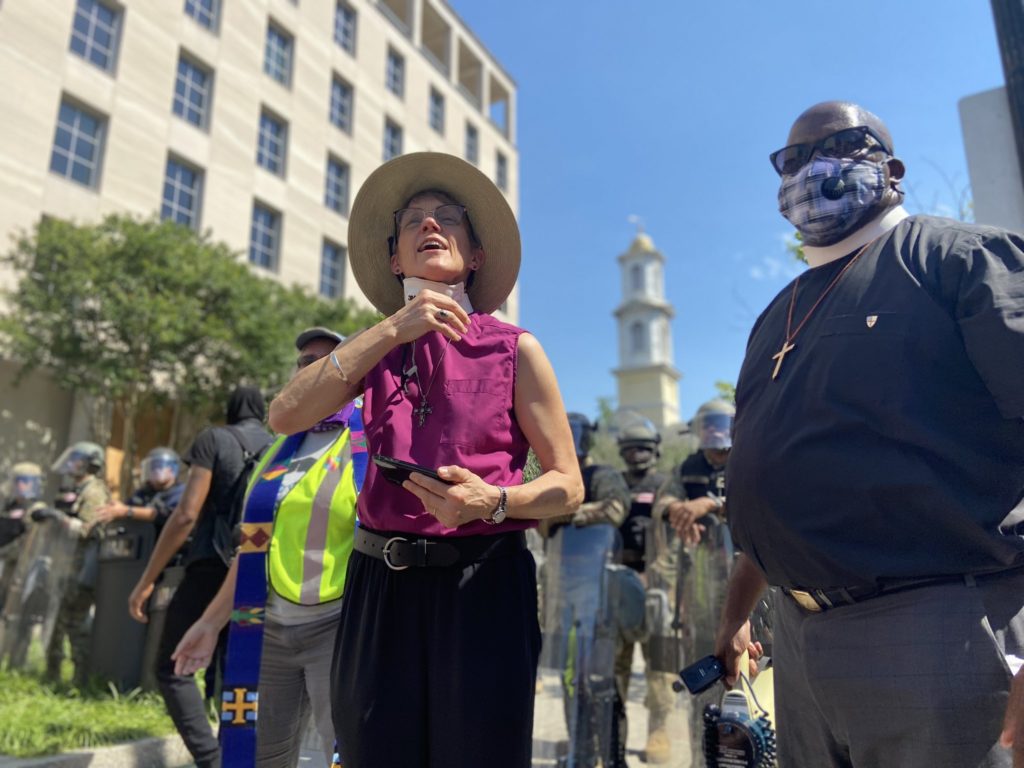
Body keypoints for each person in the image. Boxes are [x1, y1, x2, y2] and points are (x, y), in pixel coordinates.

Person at [717, 100, 1024, 768]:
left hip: (935, 633)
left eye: (839, 145)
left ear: (893, 168)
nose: (808, 169)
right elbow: (775, 481)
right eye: (790, 159)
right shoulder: (777, 315)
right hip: (797, 641)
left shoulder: (958, 258)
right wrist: (736, 612)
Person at [269, 151, 583, 768]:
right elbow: (284, 416)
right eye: (412, 220)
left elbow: (568, 486)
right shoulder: (370, 351)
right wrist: (392, 329)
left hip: (484, 583)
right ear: (394, 260)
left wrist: (493, 502)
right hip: (379, 588)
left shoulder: (516, 349)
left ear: (476, 256)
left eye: (447, 218)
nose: (429, 226)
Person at [172, 327, 364, 767]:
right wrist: (208, 623)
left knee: (350, 755)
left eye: (327, 358)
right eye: (304, 361)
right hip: (269, 631)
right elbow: (253, 549)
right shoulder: (278, 449)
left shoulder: (370, 441)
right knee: (259, 757)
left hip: (338, 630)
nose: (312, 366)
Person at [129, 386, 272, 768]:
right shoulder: (280, 445)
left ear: (230, 408)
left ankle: (211, 759)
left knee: (171, 666)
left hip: (210, 567)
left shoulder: (214, 439)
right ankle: (236, 757)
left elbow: (186, 514)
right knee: (237, 672)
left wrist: (148, 578)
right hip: (258, 569)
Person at [612, 416, 675, 764]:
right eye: (631, 448)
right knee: (614, 667)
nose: (636, 454)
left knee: (659, 667)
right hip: (617, 582)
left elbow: (677, 540)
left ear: (655, 450)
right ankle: (612, 737)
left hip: (656, 584)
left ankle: (659, 730)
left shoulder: (668, 485)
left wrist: (656, 575)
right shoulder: (614, 484)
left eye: (643, 448)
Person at [42, 441, 110, 686]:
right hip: (67, 564)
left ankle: (80, 680)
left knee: (75, 623)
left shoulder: (93, 492)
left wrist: (59, 518)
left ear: (91, 463)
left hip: (81, 568)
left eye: (78, 459)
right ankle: (53, 676)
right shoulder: (77, 489)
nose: (72, 465)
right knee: (59, 622)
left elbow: (87, 530)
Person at [94, 447, 186, 546]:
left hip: (167, 548)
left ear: (172, 469)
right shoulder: (144, 492)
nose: (156, 470)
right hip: (139, 549)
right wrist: (115, 509)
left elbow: (165, 515)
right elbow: (128, 506)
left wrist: (126, 511)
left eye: (160, 466)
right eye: (152, 467)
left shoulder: (180, 492)